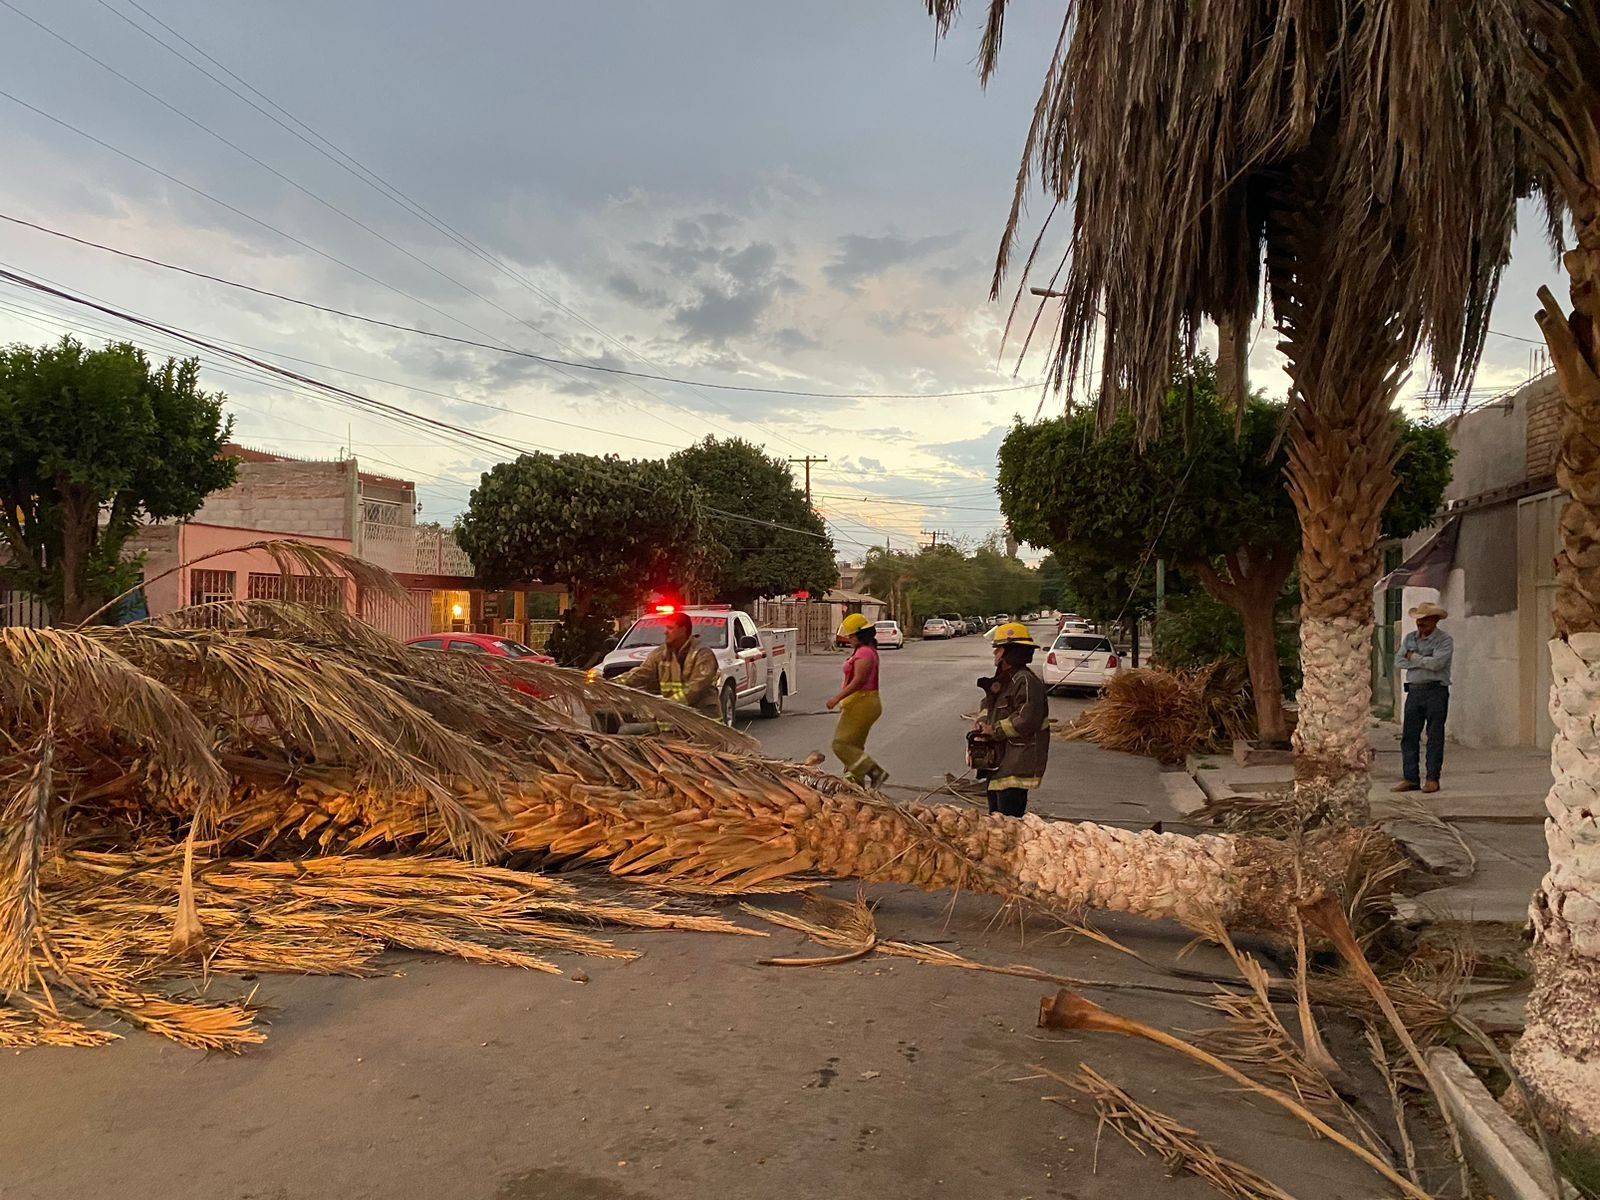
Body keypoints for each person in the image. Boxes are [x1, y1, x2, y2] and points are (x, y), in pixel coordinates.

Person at [978, 621, 1050, 817]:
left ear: (1010, 653)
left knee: (1008, 823)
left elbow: (1026, 719)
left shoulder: (1026, 681)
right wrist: (981, 722)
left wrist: (993, 731)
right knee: (995, 821)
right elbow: (988, 703)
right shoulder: (1006, 679)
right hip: (1000, 762)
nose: (995, 654)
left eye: (998, 650)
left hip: (1016, 763)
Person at [1393, 601, 1454, 794]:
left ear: (1435, 620)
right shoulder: (1410, 638)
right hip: (1414, 690)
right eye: (1419, 619)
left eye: (1425, 619)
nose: (1421, 623)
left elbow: (1437, 664)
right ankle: (1410, 778)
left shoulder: (1444, 640)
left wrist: (1414, 657)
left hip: (1435, 691)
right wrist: (1421, 660)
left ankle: (1432, 778)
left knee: (1434, 736)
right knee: (1409, 736)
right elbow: (1399, 660)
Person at [618, 611, 722, 720]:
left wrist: (669, 704)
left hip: (703, 721)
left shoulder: (703, 654)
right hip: (674, 720)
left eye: (670, 628)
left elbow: (696, 688)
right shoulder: (661, 654)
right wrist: (610, 682)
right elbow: (641, 673)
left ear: (683, 630)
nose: (665, 632)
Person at [826, 613, 888, 788]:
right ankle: (855, 785)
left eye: (851, 635)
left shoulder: (865, 653)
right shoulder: (862, 651)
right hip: (859, 702)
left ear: (861, 634)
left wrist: (836, 698)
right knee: (853, 747)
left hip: (864, 703)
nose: (849, 638)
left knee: (840, 744)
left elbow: (858, 681)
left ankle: (875, 772)